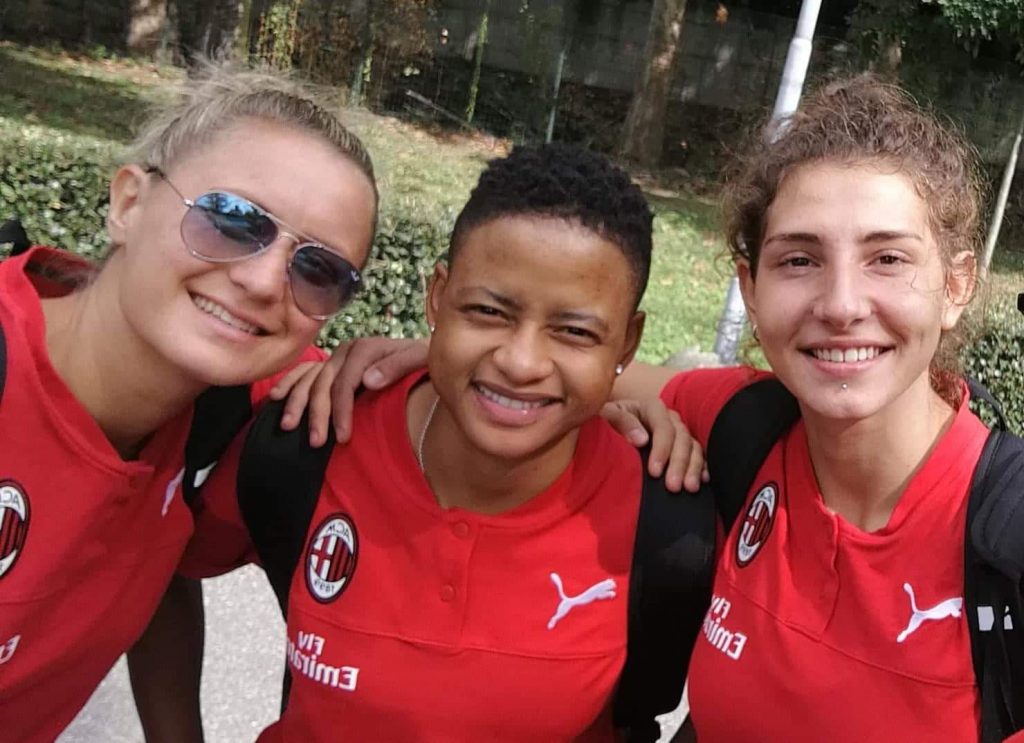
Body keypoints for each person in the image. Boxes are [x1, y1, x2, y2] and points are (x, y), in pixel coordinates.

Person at [322, 74, 1011, 741]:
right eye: (799, 260)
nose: (840, 304)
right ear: (750, 286)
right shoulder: (744, 423)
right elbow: (577, 371)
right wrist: (434, 352)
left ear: (955, 286)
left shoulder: (1005, 539)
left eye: (887, 259)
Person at [172, 142, 698, 742]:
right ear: (438, 296)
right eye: (488, 312)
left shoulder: (664, 524)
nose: (521, 362)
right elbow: (152, 558)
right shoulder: (314, 433)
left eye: (574, 331)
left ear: (626, 343)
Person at [0, 63, 379, 743]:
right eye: (232, 219)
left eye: (319, 270)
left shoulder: (238, 400)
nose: (264, 282)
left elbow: (147, 557)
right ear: (128, 203)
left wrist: (426, 358)